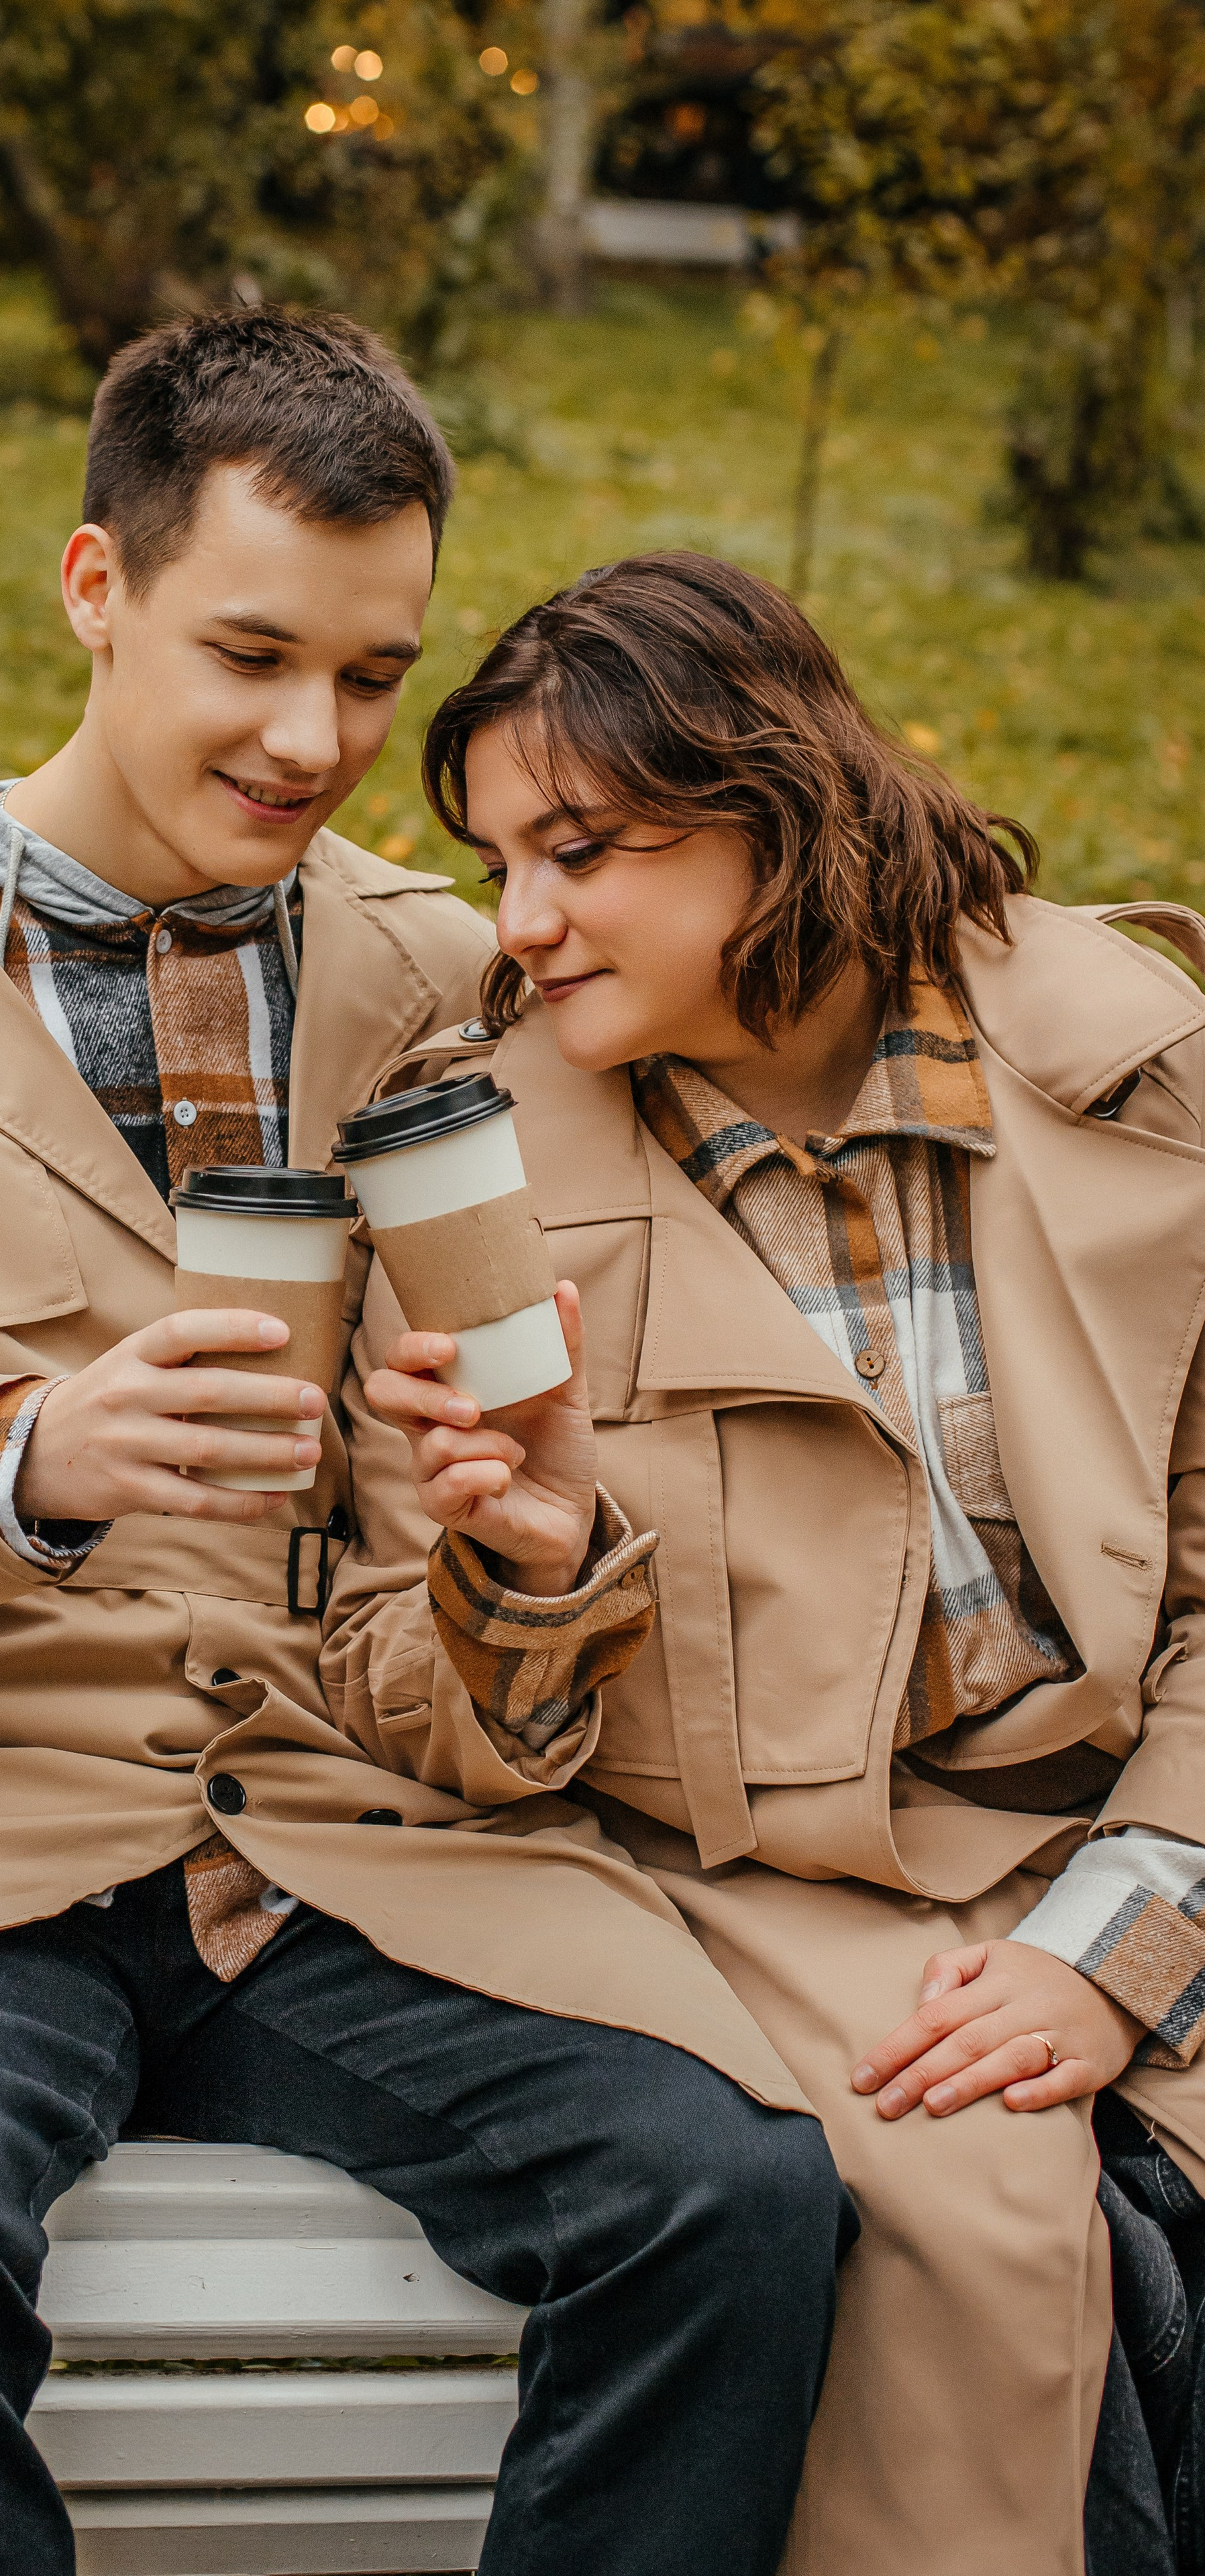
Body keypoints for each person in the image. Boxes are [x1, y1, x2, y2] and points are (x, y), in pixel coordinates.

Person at [0, 329, 849, 2576]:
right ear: (93, 588)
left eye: (371, 676)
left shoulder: (445, 981)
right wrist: (22, 1463)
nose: (313, 743)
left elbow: (501, 1518)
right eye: (251, 653)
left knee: (733, 2194)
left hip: (343, 1844)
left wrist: (515, 1562)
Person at [339, 547, 1205, 2576]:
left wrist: (1126, 1943)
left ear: (779, 805)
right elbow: (396, 1703)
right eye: (492, 866)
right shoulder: (471, 1176)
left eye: (581, 848)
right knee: (984, 2220)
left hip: (1138, 1810)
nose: (524, 923)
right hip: (762, 1886)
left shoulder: (1136, 1070)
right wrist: (531, 1572)